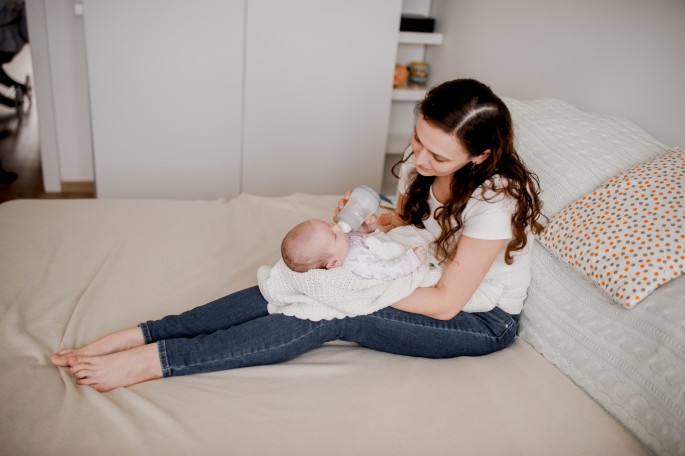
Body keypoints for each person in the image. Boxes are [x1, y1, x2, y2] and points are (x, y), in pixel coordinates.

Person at [51, 78, 544, 393]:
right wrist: (383, 221)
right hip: (431, 275)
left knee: (328, 307)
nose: (419, 160)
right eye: (418, 141)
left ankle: (158, 361)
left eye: (438, 156)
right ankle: (148, 333)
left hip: (479, 318)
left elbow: (444, 304)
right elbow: (428, 227)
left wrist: (350, 285)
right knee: (288, 279)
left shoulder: (494, 204)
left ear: (479, 156)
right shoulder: (422, 169)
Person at [281, 218, 426, 279]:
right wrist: (412, 260)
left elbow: (358, 237)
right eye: (334, 235)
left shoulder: (340, 247)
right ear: (334, 263)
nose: (337, 226)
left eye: (329, 225)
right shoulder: (356, 261)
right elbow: (386, 270)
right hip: (405, 257)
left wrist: (366, 228)